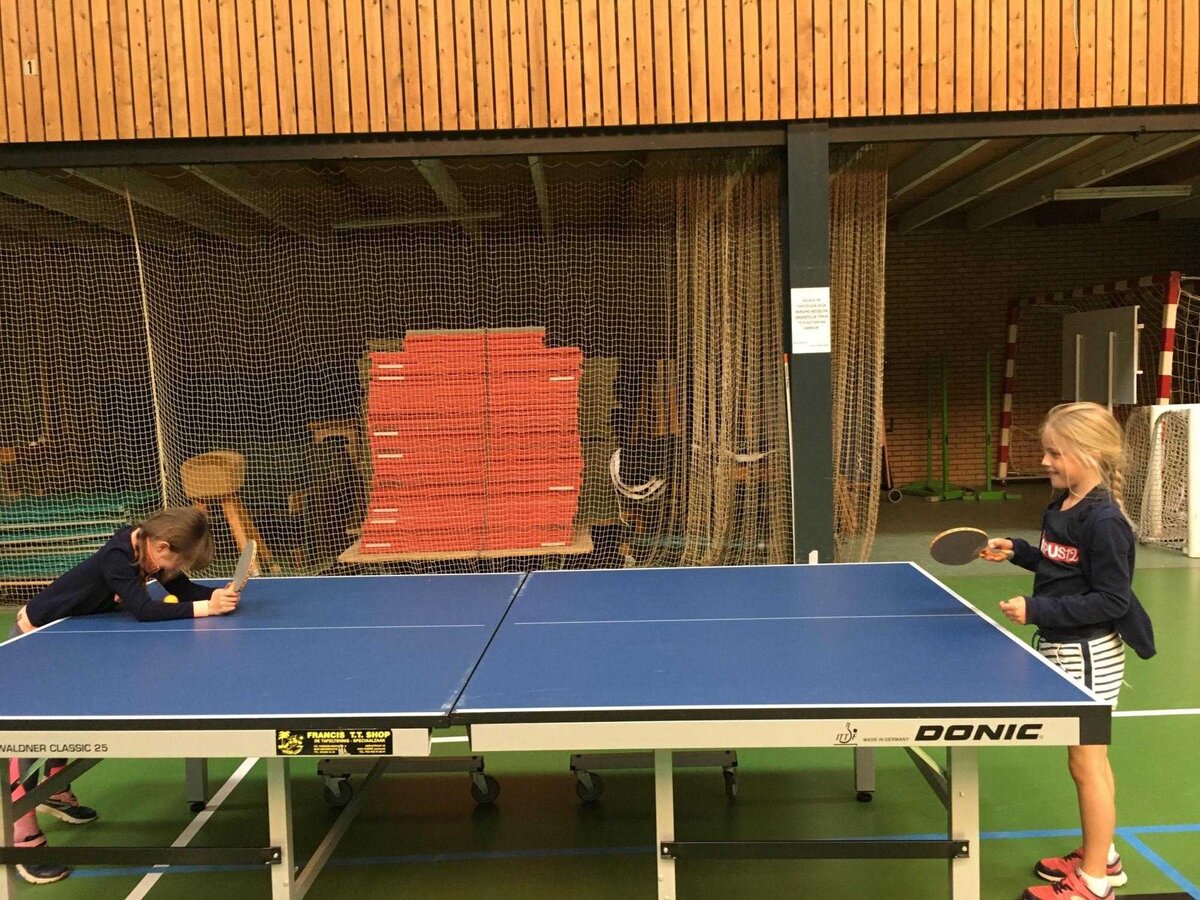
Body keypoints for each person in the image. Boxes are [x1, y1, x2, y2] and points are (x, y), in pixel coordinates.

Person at [7, 506, 241, 885]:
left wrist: (217, 596)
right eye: (180, 560)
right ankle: (21, 834)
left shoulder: (150, 547)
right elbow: (144, 609)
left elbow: (181, 589)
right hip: (38, 639)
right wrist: (205, 609)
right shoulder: (119, 556)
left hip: (78, 640)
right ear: (161, 546)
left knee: (73, 713)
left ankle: (55, 788)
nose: (179, 568)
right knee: (30, 735)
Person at [984, 402, 1155, 900]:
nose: (1045, 461)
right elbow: (1062, 565)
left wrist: (1036, 610)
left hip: (1088, 653)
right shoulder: (1063, 505)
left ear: (1090, 454)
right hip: (1066, 648)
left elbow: (1112, 599)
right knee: (1088, 761)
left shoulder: (1105, 521)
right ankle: (1105, 855)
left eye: (1056, 453)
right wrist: (1018, 551)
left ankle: (1095, 881)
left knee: (1087, 764)